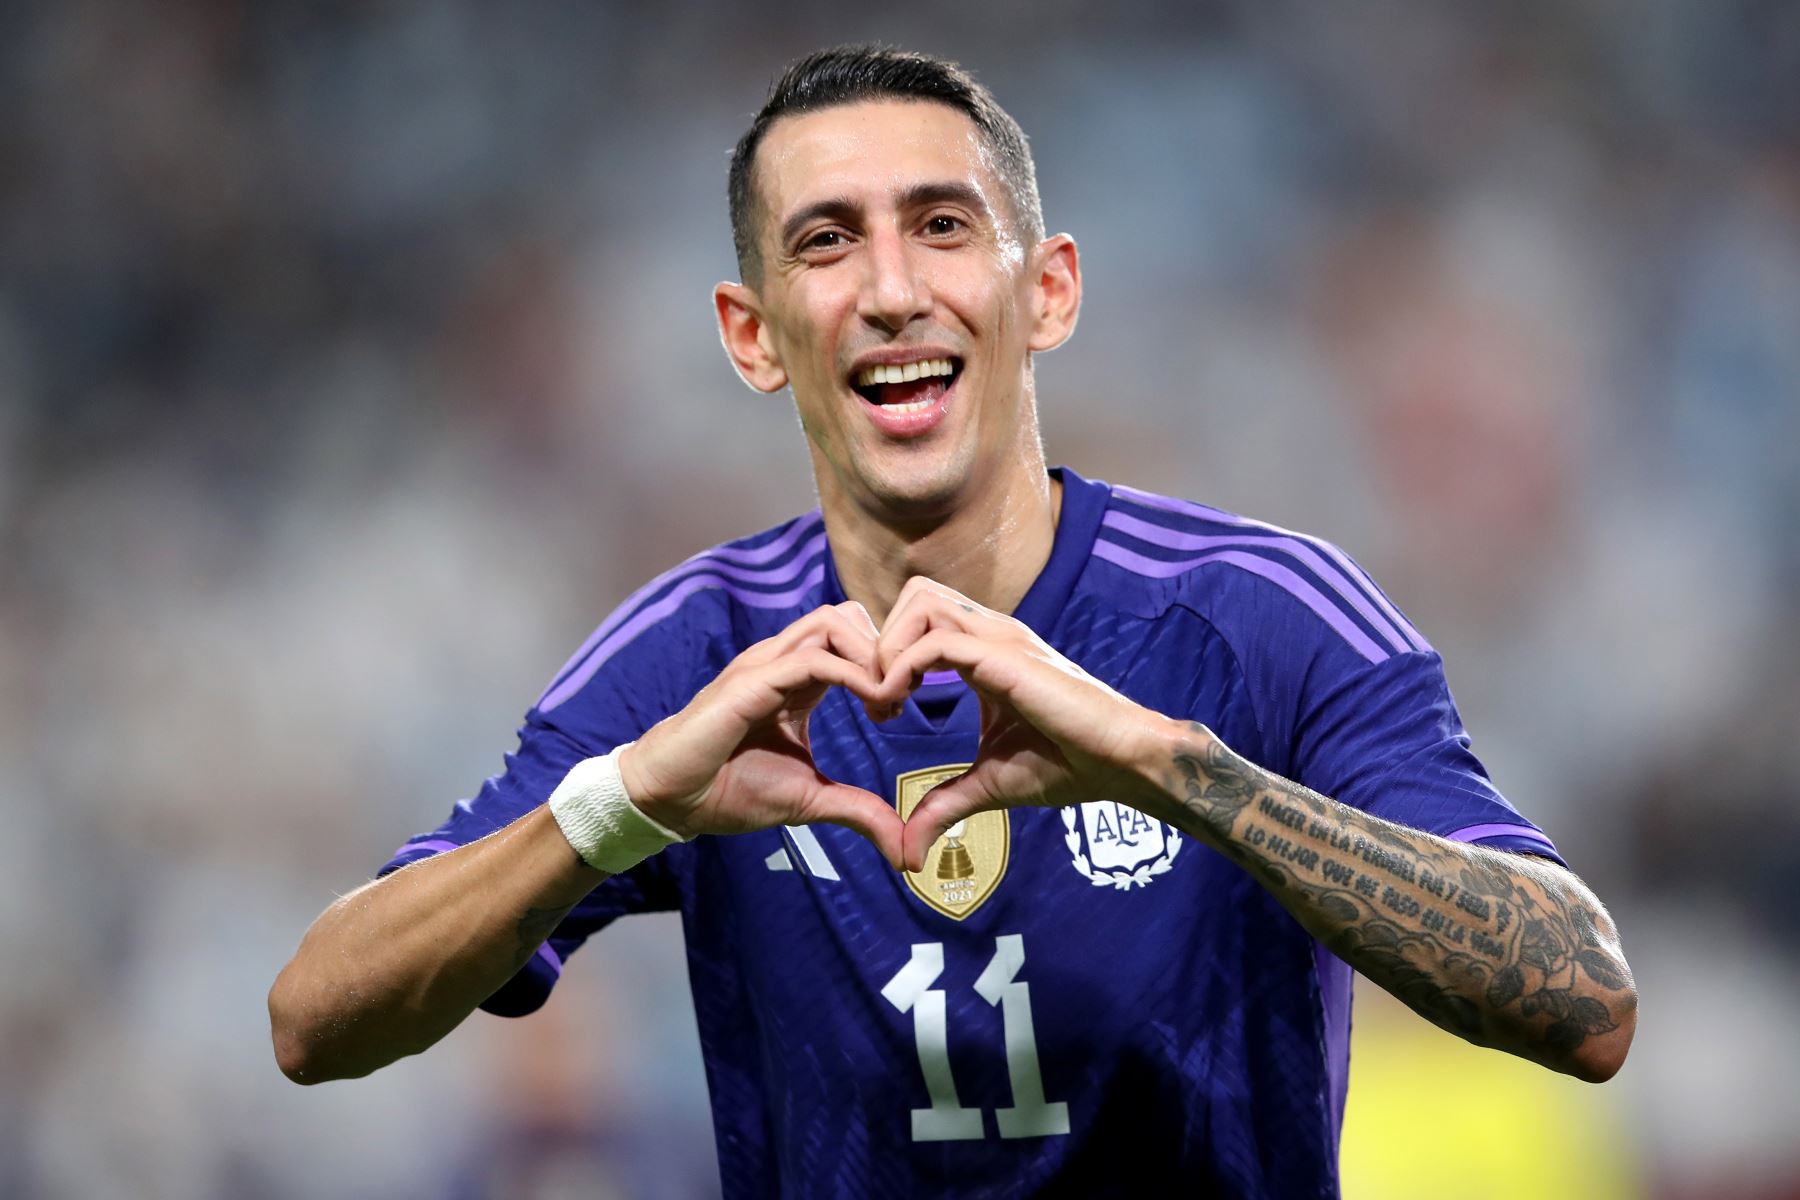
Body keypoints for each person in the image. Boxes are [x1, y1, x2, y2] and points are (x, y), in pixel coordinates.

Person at [269, 45, 1637, 1198]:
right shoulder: (698, 653)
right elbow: (314, 1019)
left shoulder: (1261, 618)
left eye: (940, 225)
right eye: (825, 241)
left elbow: (1581, 997)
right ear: (752, 336)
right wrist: (626, 806)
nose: (889, 289)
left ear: (1045, 290)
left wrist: (1179, 774)